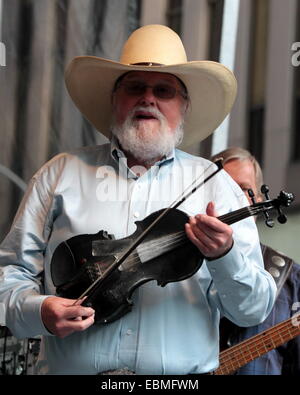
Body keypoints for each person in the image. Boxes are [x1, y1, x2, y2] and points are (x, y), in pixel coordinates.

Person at [0, 25, 276, 375]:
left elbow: (253, 309)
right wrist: (38, 311)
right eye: (135, 87)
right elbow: (10, 275)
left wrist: (225, 255)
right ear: (115, 99)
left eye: (163, 90)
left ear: (184, 107)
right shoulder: (59, 175)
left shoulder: (216, 185)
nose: (148, 98)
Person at [211, 147, 300, 375]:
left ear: (259, 201)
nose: (232, 198)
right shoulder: (179, 271)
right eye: (222, 187)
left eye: (243, 189)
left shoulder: (293, 280)